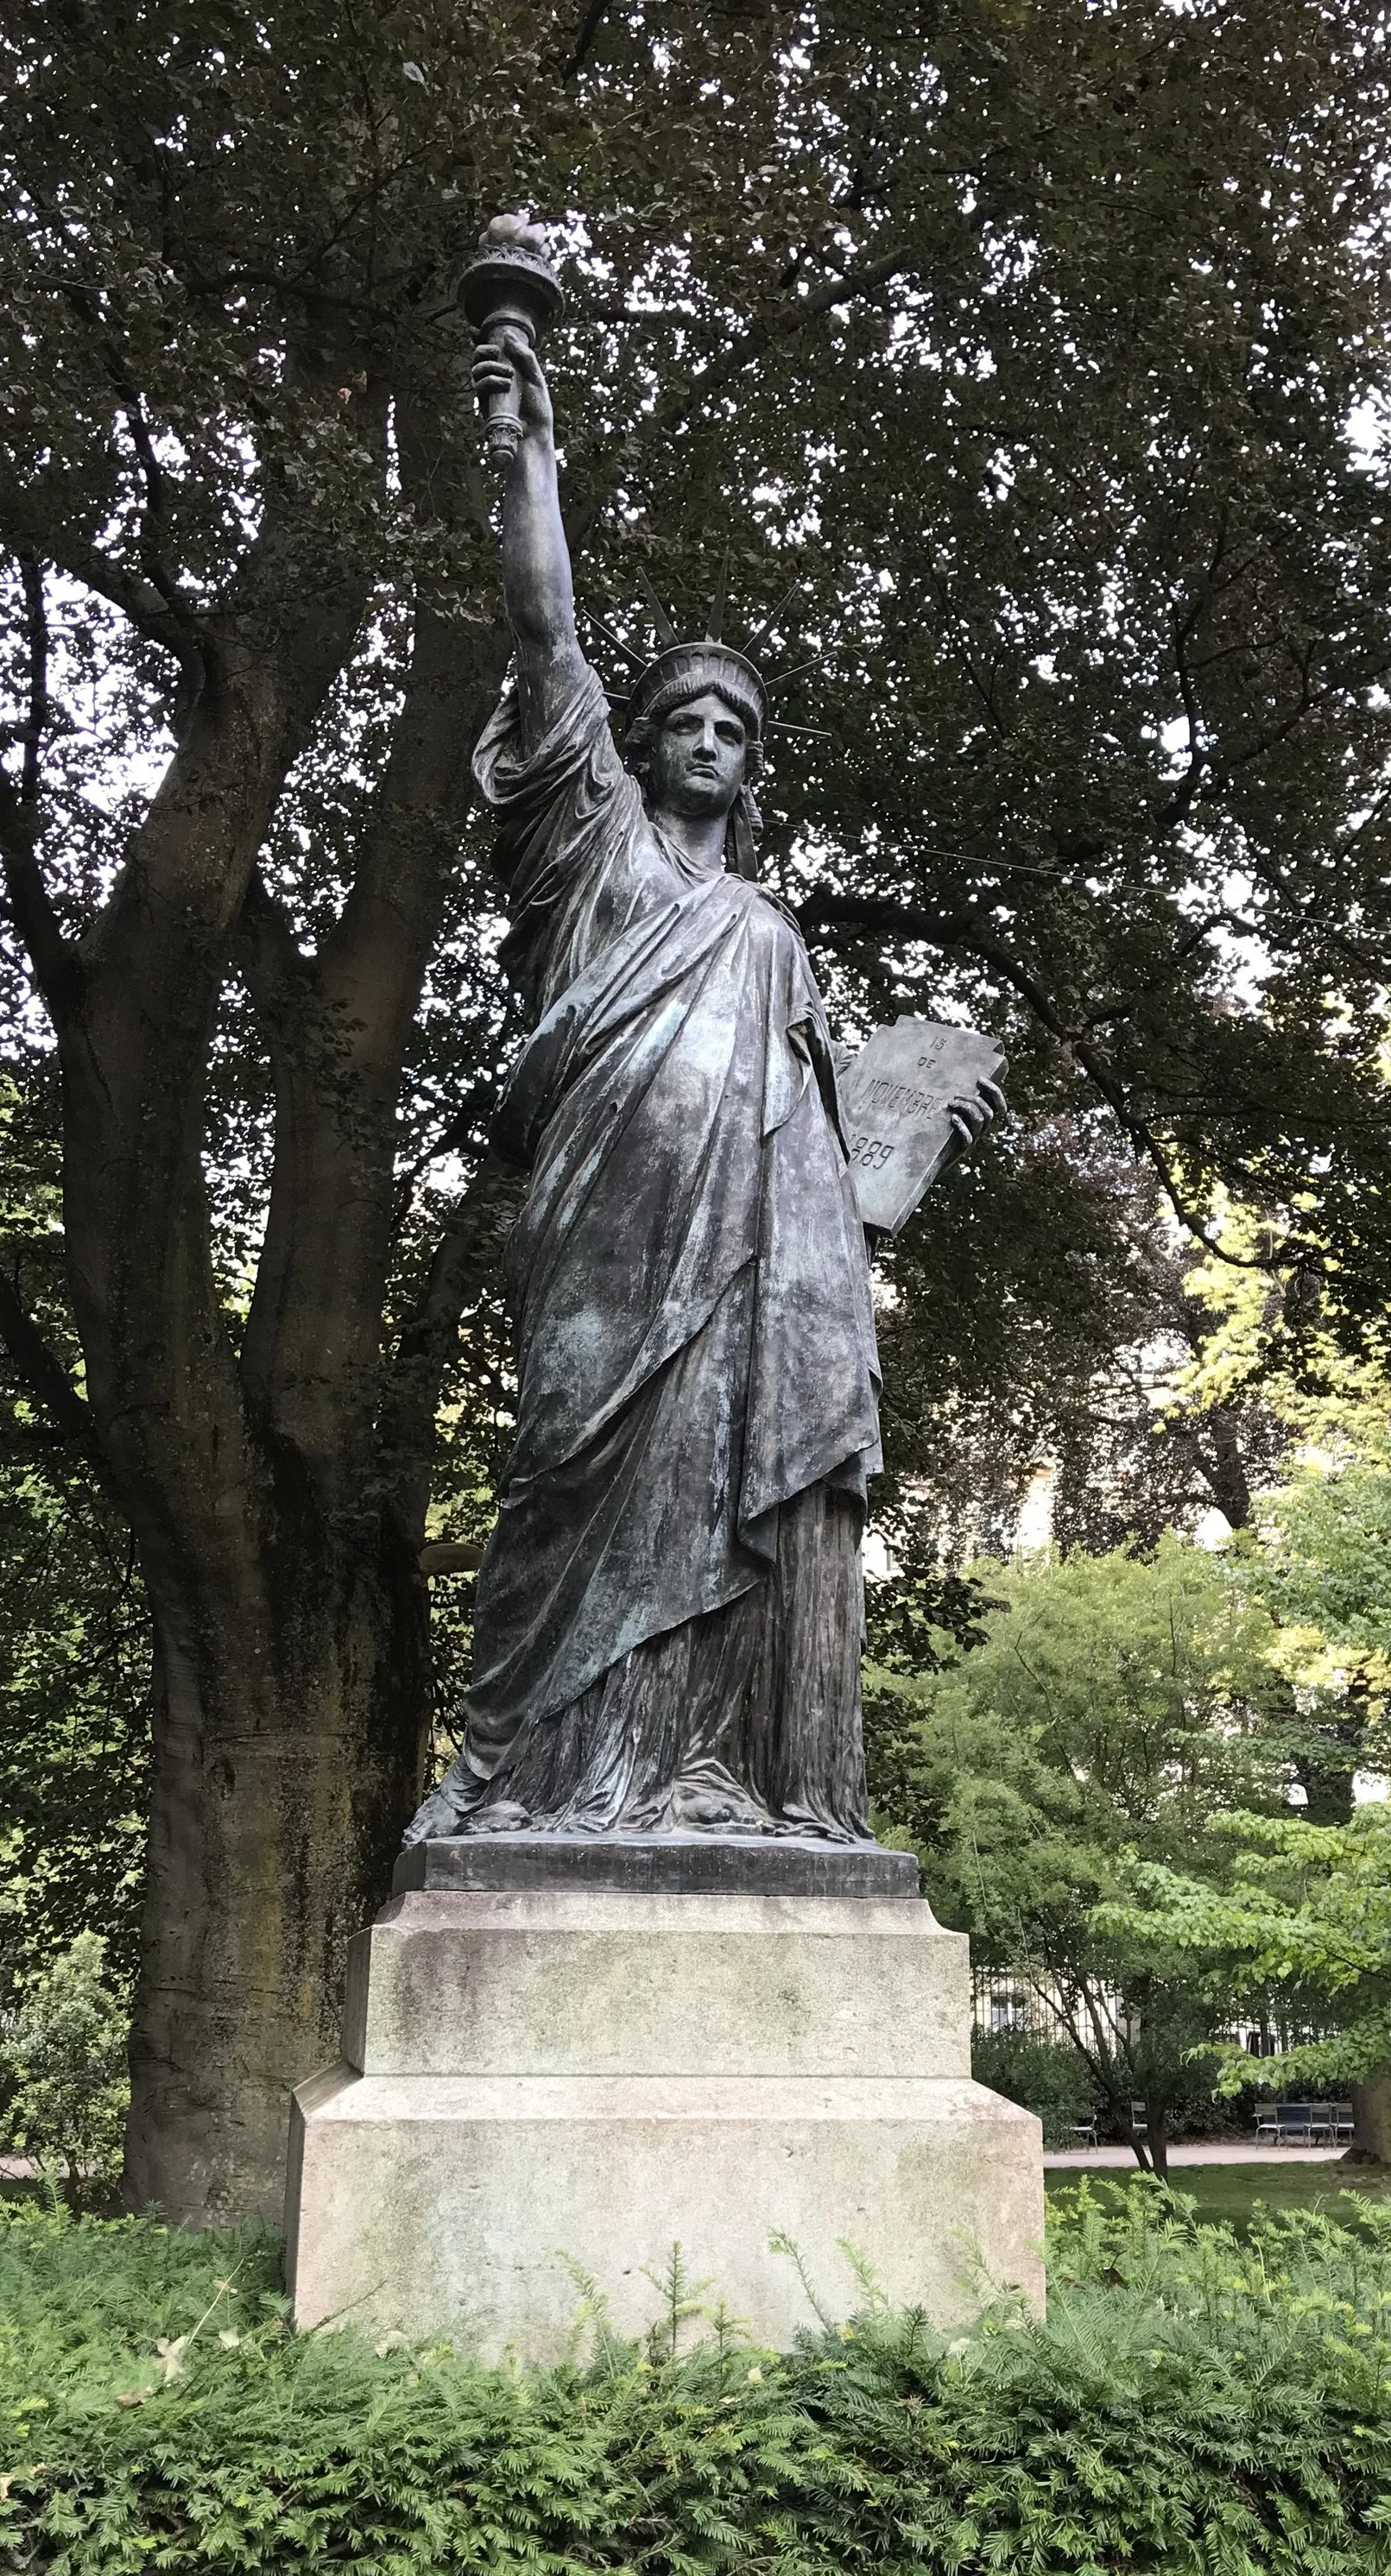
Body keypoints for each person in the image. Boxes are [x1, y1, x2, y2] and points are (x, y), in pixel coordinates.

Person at [407, 319, 1002, 1847]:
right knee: (568, 1474)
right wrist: (530, 454)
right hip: (611, 1235)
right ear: (643, 748)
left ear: (755, 766)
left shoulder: (771, 930)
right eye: (687, 721)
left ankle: (721, 1777)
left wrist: (897, 1131)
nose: (712, 741)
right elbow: (549, 641)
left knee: (756, 1486)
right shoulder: (596, 852)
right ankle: (536, 1780)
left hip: (760, 1271)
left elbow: (811, 1133)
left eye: (736, 730)